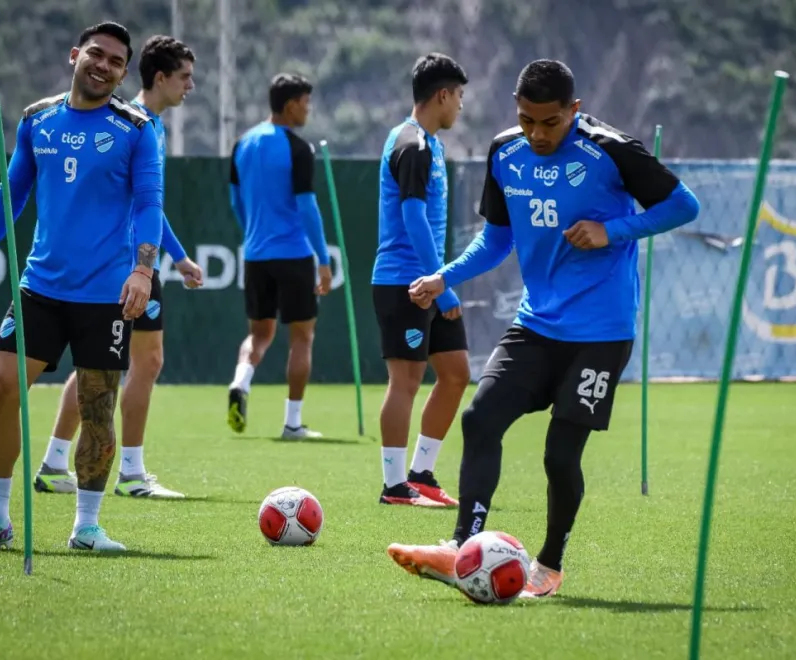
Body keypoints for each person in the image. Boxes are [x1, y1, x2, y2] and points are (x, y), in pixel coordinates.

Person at [386, 59, 701, 596]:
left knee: (560, 454)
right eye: (526, 119)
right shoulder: (505, 150)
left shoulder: (610, 148)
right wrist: (443, 277)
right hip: (536, 325)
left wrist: (613, 230)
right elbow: (498, 240)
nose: (536, 133)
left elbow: (682, 205)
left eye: (549, 123)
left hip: (601, 333)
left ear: (574, 111)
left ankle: (549, 566)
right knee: (481, 419)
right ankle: (462, 548)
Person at [0, 21, 164, 553]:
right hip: (39, 288)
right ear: (74, 56)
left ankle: (86, 527)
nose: (104, 65)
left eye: (116, 61)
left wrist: (143, 270)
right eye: (97, 54)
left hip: (106, 295)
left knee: (97, 407)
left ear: (123, 72)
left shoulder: (137, 129)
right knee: (0, 389)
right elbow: (10, 195)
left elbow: (149, 204)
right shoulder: (36, 121)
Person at [32, 34, 203, 500]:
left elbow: (150, 205)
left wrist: (179, 256)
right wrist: (167, 261)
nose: (191, 86)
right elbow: (147, 206)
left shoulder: (145, 124)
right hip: (126, 269)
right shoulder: (135, 124)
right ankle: (130, 472)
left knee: (100, 367)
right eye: (185, 76)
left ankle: (52, 461)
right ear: (161, 77)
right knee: (142, 363)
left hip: (131, 266)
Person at [371, 53, 471, 508]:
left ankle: (422, 474)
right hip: (403, 282)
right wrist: (441, 283)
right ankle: (394, 487)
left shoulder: (430, 143)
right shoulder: (412, 144)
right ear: (442, 95)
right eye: (460, 97)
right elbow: (412, 216)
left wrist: (440, 280)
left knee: (455, 374)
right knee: (406, 381)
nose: (461, 107)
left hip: (429, 279)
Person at [226, 73, 332, 440]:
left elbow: (235, 203)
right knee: (302, 337)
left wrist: (253, 233)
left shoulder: (242, 143)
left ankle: (241, 381)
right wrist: (323, 259)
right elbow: (307, 207)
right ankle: (292, 423)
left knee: (258, 334)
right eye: (305, 102)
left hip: (255, 255)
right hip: (294, 254)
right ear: (290, 105)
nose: (308, 109)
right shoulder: (298, 148)